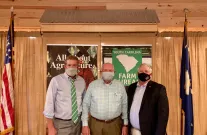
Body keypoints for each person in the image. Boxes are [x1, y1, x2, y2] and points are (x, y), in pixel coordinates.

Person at [81, 63, 128, 135]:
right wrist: (85, 124)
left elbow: (124, 105)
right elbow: (85, 104)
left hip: (114, 124)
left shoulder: (120, 86)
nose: (108, 72)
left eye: (110, 70)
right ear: (101, 72)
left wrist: (125, 124)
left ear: (114, 72)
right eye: (105, 70)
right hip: (96, 125)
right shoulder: (93, 85)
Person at [43, 55, 86, 135]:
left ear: (78, 66)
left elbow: (84, 103)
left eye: (74, 65)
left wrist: (84, 124)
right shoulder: (56, 80)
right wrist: (50, 127)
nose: (71, 67)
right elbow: (49, 104)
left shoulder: (81, 81)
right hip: (61, 124)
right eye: (69, 65)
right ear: (65, 66)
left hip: (77, 123)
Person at [127, 63, 169, 135]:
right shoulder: (131, 87)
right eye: (141, 71)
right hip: (133, 131)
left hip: (151, 132)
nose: (143, 73)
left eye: (146, 71)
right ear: (137, 73)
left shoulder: (158, 89)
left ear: (151, 75)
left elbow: (163, 115)